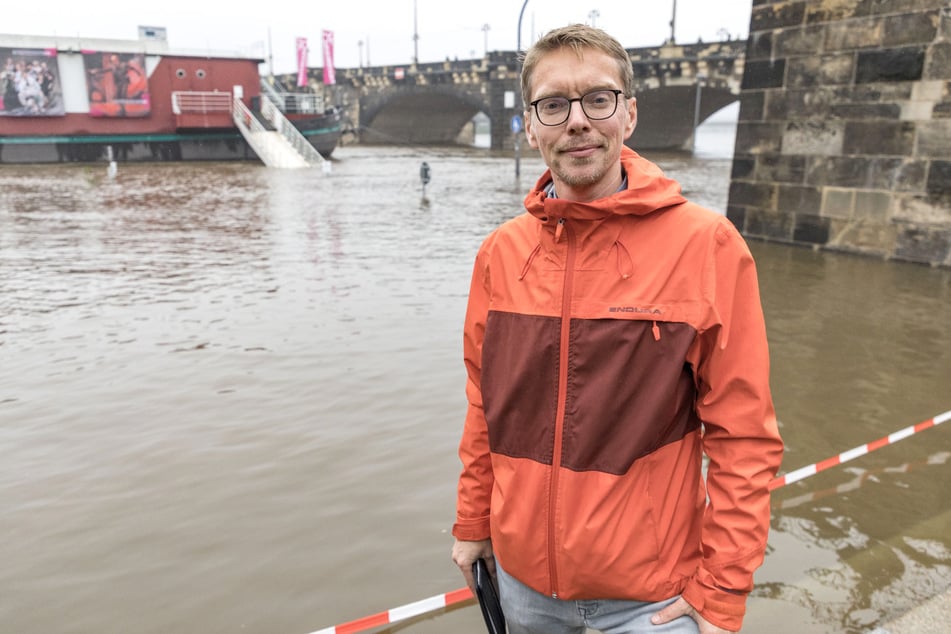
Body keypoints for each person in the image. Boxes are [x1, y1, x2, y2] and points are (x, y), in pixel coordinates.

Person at [451, 24, 784, 634]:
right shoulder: (500, 254)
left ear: (628, 114)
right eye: (554, 104)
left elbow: (743, 437)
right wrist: (474, 521)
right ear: (530, 126)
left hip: (650, 603)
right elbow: (485, 407)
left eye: (597, 99)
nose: (577, 121)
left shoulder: (707, 246)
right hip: (524, 588)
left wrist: (723, 588)